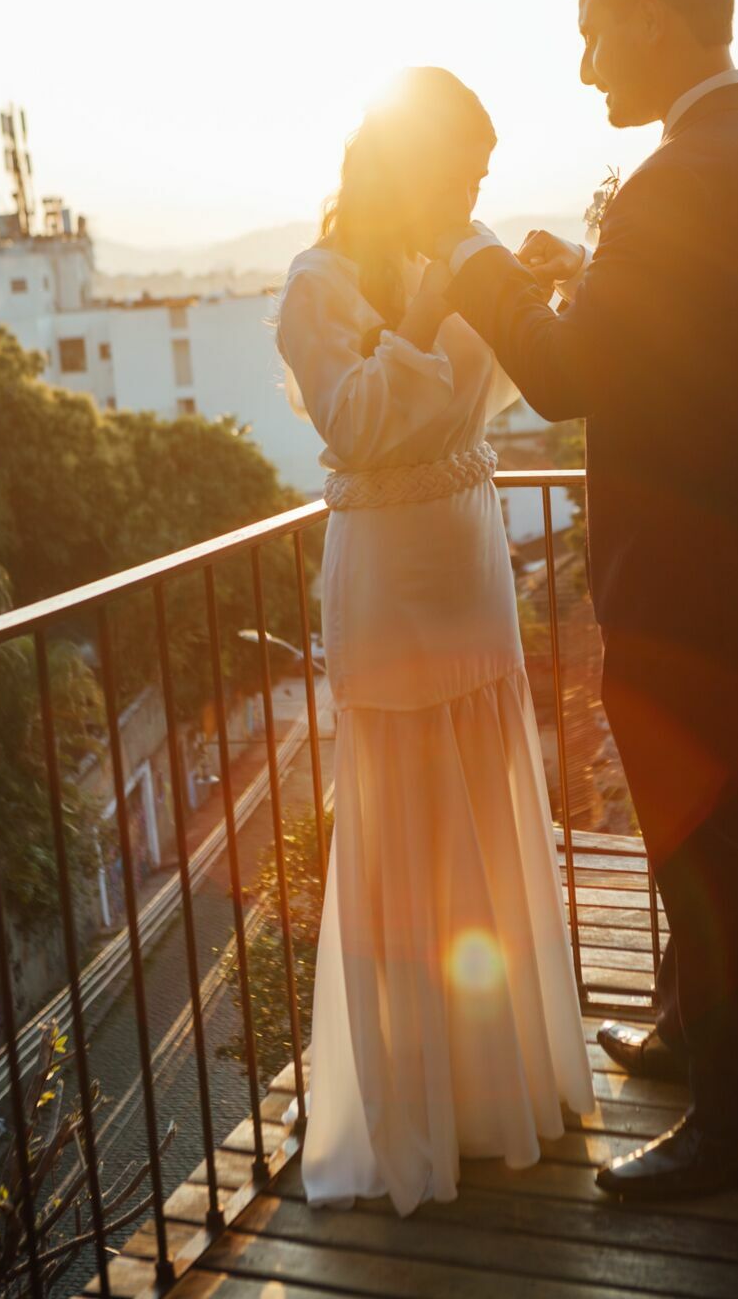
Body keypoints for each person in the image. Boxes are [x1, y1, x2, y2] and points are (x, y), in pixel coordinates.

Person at [435, 0, 738, 1200]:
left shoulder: (679, 178)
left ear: (655, 17)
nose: (586, 64)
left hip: (690, 581)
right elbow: (681, 346)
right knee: (695, 829)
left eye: (595, 32)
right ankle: (681, 1033)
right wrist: (586, 276)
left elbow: (563, 376)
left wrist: (474, 258)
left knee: (711, 850)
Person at [275, 66, 594, 1218]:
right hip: (389, 584)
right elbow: (357, 422)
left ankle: (501, 1086)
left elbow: (514, 383)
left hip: (468, 567)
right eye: (461, 170)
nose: (474, 192)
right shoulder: (317, 284)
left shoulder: (467, 254)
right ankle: (416, 1113)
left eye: (483, 174)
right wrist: (426, 306)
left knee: (485, 820)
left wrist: (540, 287)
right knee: (406, 832)